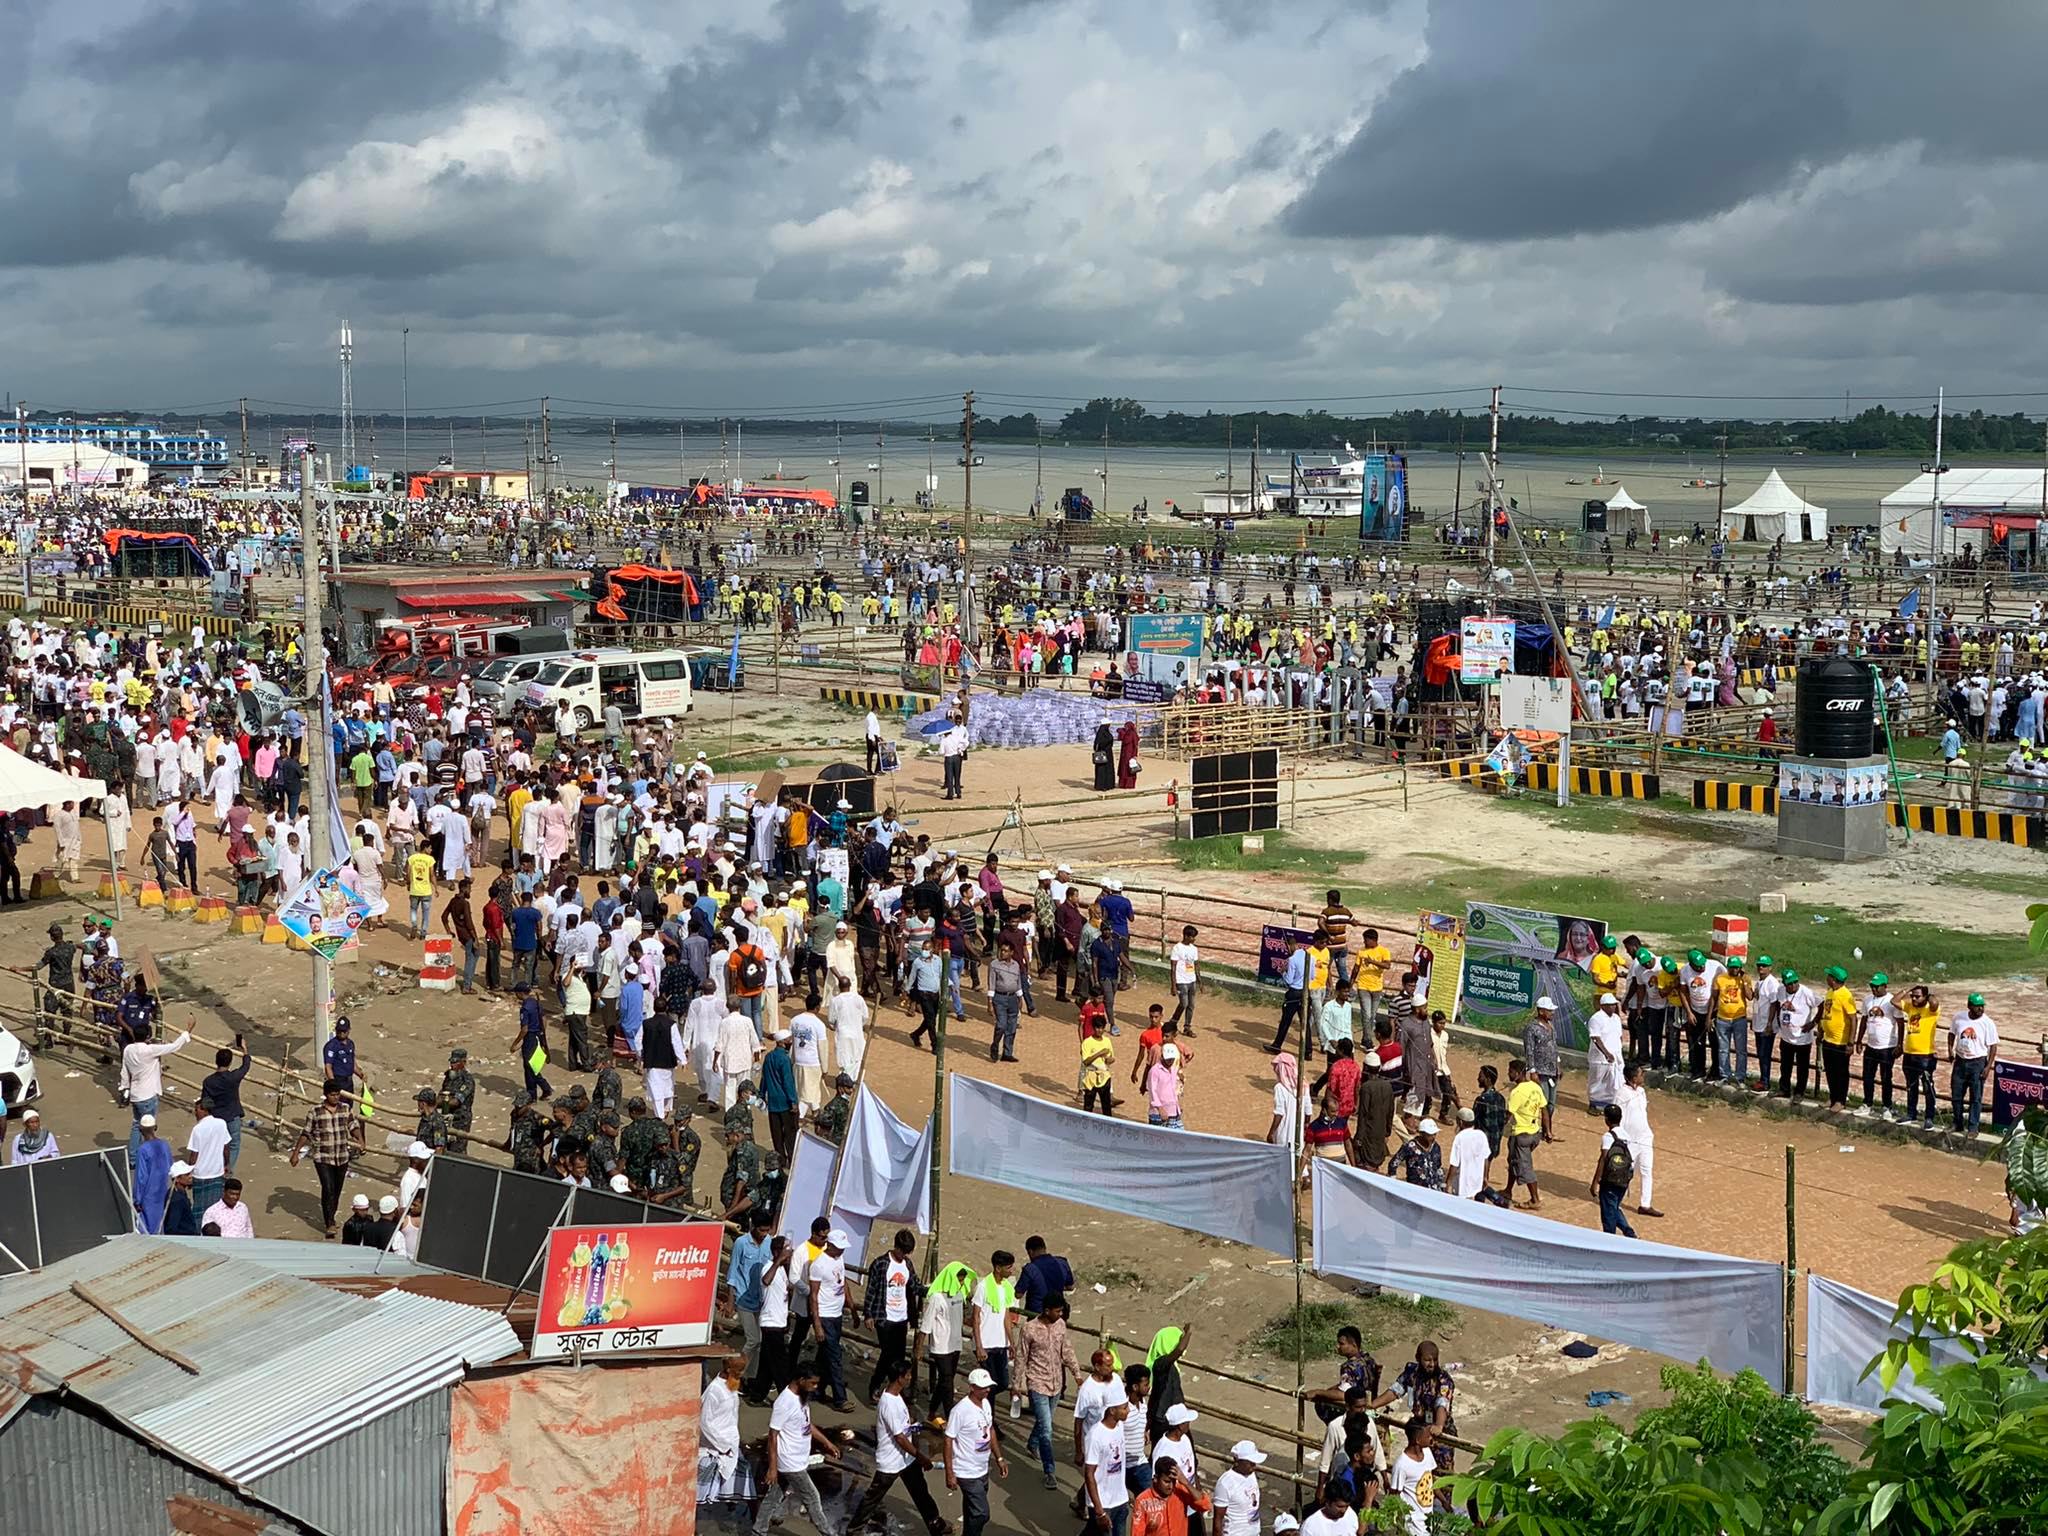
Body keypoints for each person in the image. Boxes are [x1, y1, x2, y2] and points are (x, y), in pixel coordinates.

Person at [848, 1357, 949, 1534]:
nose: (910, 1378)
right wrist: (921, 1456)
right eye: (908, 1375)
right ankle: (854, 1529)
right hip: (891, 1461)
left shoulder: (896, 1396)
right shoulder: (889, 1403)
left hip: (906, 1459)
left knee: (921, 1493)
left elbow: (903, 1429)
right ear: (900, 1378)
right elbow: (900, 1438)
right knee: (873, 1498)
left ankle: (935, 1524)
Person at [752, 1362, 841, 1536]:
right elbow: (772, 1435)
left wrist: (826, 1442)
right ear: (801, 1380)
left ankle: (758, 1529)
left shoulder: (801, 1398)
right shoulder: (785, 1402)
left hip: (798, 1458)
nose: (815, 1388)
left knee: (774, 1496)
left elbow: (806, 1424)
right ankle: (828, 1532)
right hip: (790, 1462)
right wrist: (772, 1467)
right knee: (812, 1497)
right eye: (813, 1383)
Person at [1017, 1295, 1082, 1488]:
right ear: (1047, 1310)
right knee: (1047, 1429)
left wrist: (1076, 1374)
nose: (1060, 1314)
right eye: (1057, 1311)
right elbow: (1021, 1357)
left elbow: (1067, 1351)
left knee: (1045, 1421)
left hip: (1056, 1384)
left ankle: (1032, 1443)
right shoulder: (1029, 1329)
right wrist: (1016, 1384)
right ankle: (1049, 1471)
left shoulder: (1060, 1325)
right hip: (1037, 1383)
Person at [944, 1366, 1007, 1536]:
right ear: (972, 1387)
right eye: (982, 1387)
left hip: (982, 1469)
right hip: (966, 1471)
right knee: (981, 1514)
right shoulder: (960, 1411)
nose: (987, 1390)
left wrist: (999, 1458)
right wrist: (950, 1473)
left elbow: (990, 1429)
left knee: (972, 1510)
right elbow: (948, 1440)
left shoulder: (985, 1404)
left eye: (988, 1386)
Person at [290, 1078, 357, 1237]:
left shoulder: (345, 1109)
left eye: (337, 1094)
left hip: (341, 1156)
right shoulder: (315, 1112)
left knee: (337, 1189)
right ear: (326, 1095)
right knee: (328, 1188)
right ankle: (330, 1224)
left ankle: (331, 1215)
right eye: (333, 1095)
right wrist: (296, 1153)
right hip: (323, 1157)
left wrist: (360, 1140)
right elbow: (306, 1132)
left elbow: (353, 1126)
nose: (336, 1097)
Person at [698, 1354, 756, 1512]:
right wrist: (723, 1445)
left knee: (740, 1474)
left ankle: (733, 1501)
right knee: (702, 1487)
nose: (742, 1374)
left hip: (731, 1441)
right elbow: (705, 1422)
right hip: (716, 1445)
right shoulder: (714, 1391)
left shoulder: (732, 1383)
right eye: (739, 1370)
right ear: (728, 1369)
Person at [922, 1260, 976, 1426]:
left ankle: (931, 1412)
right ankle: (951, 1416)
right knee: (947, 1380)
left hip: (955, 1344)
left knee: (945, 1380)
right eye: (958, 1279)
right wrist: (918, 1349)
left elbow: (961, 1318)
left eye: (962, 1280)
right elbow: (926, 1324)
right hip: (940, 1346)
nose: (960, 1283)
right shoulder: (936, 1298)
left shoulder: (959, 1295)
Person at [1615, 1062, 1663, 1218]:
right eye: (1640, 1074)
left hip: (1645, 1137)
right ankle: (1615, 1199)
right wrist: (1620, 1139)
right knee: (1626, 1171)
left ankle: (1645, 1204)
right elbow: (1618, 1118)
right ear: (1633, 1078)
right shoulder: (1621, 1094)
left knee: (1646, 1170)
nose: (1643, 1076)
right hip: (1630, 1140)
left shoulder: (1642, 1091)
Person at [1081, 1396, 1133, 1536]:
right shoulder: (1095, 1436)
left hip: (1120, 1501)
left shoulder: (1119, 1426)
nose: (1128, 1410)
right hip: (1103, 1504)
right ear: (1112, 1410)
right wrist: (1100, 1511)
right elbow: (1089, 1474)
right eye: (1124, 1408)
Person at [1950, 992, 1999, 1136]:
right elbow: (1951, 1033)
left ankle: (1973, 1127)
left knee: (1975, 1097)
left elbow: (1993, 1046)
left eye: (1982, 1006)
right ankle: (1957, 1123)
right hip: (1960, 1060)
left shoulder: (1987, 1023)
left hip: (1977, 1062)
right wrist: (1950, 1050)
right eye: (1977, 1007)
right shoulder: (1959, 1018)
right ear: (1969, 1006)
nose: (1981, 1009)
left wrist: (1988, 1067)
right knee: (1956, 1095)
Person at [1505, 1059, 1547, 1209]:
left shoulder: (1516, 1092)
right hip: (1535, 1133)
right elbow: (1544, 1109)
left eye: (1510, 1071)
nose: (1508, 1074)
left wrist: (1500, 1125)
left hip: (1521, 1135)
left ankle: (1535, 1199)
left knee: (1525, 1167)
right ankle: (1508, 1190)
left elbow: (1508, 1115)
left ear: (1517, 1073)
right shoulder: (1535, 1087)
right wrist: (1547, 1130)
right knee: (1513, 1161)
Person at [1130, 1457, 1210, 1536]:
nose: (1171, 1486)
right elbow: (1137, 1533)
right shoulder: (1142, 1501)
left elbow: (1205, 1505)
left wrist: (1186, 1482)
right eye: (1167, 1482)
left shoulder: (1180, 1491)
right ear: (1155, 1479)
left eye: (1173, 1481)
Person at [1591, 1105, 1638, 1237]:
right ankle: (1629, 1232)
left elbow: (1604, 1159)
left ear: (1606, 1120)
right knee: (1614, 1207)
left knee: (1608, 1214)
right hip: (1624, 1179)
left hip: (1609, 1180)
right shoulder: (1627, 1136)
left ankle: (1610, 1239)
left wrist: (1595, 1182)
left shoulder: (1608, 1136)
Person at [1384, 1418, 1437, 1536]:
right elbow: (1394, 1495)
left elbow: (1431, 1480)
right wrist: (1399, 1520)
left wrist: (1444, 1502)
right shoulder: (1402, 1465)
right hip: (1413, 1522)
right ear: (1418, 1440)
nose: (1431, 1438)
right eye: (1427, 1435)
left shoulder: (1427, 1453)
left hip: (1428, 1515)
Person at [1902, 983, 1942, 1130]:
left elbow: (1935, 1003)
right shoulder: (1910, 1007)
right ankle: (1910, 1113)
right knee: (1910, 1086)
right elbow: (1894, 1001)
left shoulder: (1931, 1010)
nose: (1913, 999)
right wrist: (1908, 989)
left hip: (1925, 1055)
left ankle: (1929, 1117)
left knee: (1927, 1087)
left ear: (1925, 997)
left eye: (1917, 996)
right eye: (1912, 996)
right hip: (1909, 1054)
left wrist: (1928, 996)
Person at [1818, 965, 1857, 1110]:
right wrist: (1821, 1030)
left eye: (1829, 976)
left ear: (1833, 979)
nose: (1826, 978)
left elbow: (1853, 1018)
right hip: (1828, 1039)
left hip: (1840, 1041)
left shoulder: (1845, 995)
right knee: (1830, 1071)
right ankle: (1833, 1097)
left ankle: (1840, 1100)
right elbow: (1826, 1014)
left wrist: (1851, 1042)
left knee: (1840, 1072)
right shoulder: (1830, 992)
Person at [1521, 999, 1559, 1141]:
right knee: (1542, 1103)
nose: (1552, 1013)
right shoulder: (1532, 1028)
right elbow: (1529, 1050)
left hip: (1552, 1071)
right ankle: (1546, 1131)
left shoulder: (1551, 1026)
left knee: (1551, 1104)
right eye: (1549, 1010)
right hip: (1540, 1072)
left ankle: (1546, 1128)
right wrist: (1532, 1070)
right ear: (1541, 1011)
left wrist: (1558, 1065)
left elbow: (1554, 1047)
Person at [1211, 1442, 1267, 1536]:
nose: (1254, 1465)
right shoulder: (1225, 1483)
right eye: (1250, 1462)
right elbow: (1218, 1520)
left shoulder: (1251, 1475)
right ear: (1237, 1461)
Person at [131, 1113, 171, 1232]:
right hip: (163, 1191)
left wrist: (137, 1199)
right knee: (160, 1224)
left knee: (147, 1228)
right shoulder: (164, 1145)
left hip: (149, 1195)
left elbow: (141, 1177)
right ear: (155, 1127)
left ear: (140, 1130)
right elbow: (171, 1168)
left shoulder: (143, 1150)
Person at [1448, 1106, 1492, 1201]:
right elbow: (1486, 1159)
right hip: (1477, 1181)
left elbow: (1454, 1164)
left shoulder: (1459, 1138)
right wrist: (1485, 1177)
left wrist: (1448, 1183)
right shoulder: (1481, 1135)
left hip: (1462, 1183)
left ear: (1460, 1122)